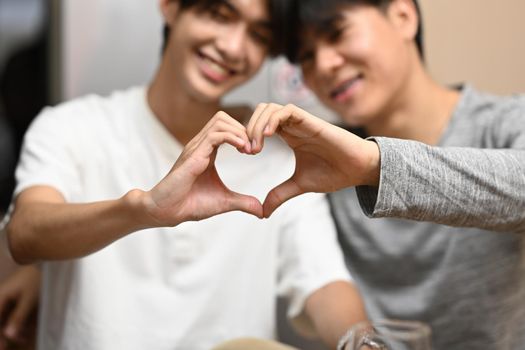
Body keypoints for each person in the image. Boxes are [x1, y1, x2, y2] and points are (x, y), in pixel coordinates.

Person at [1, 0, 367, 349]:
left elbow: (324, 284)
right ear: (171, 5)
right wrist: (142, 209)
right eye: (219, 14)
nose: (233, 47)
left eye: (259, 35)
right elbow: (25, 233)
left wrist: (364, 342)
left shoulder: (277, 156)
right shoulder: (72, 127)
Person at [246, 0, 525, 349]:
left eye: (337, 33)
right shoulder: (321, 158)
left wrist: (374, 165)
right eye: (306, 56)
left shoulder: (504, 120)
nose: (324, 65)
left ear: (403, 16)